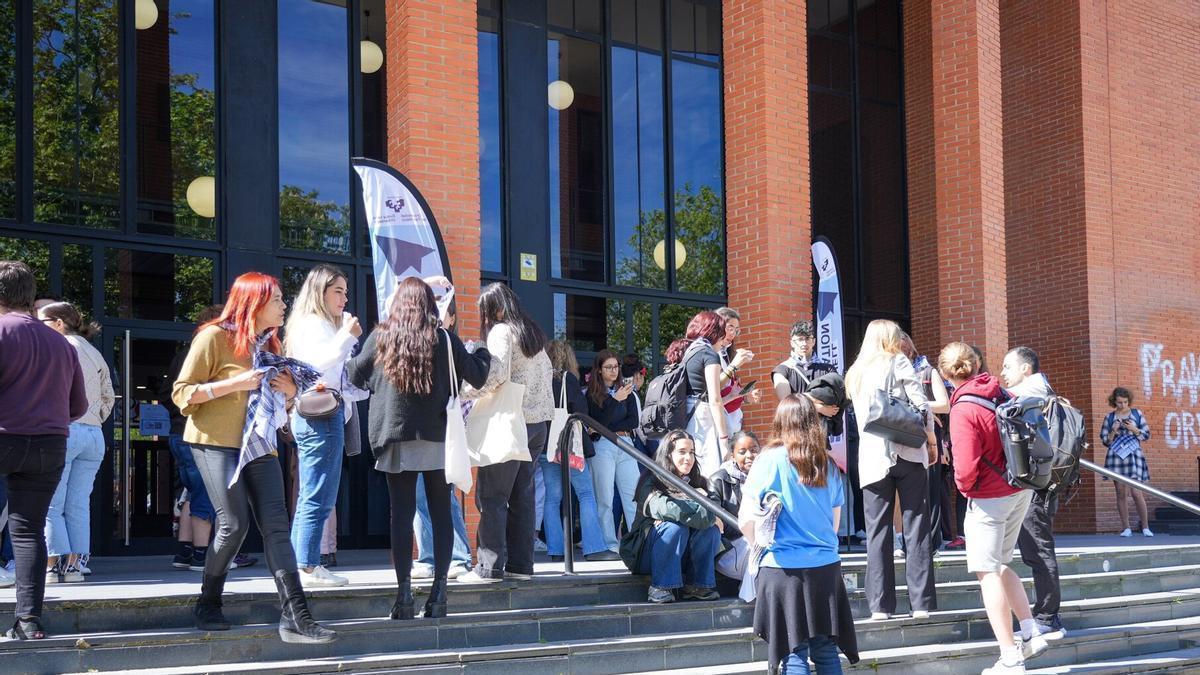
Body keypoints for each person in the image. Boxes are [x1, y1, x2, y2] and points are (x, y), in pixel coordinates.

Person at [172, 271, 335, 644]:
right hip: (214, 441)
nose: (283, 305)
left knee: (277, 526)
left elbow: (280, 406)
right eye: (276, 299)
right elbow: (182, 394)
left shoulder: (270, 347)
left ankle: (297, 616)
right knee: (234, 525)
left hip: (260, 445)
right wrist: (234, 383)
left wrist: (291, 390)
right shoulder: (213, 337)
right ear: (255, 302)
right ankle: (208, 602)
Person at [346, 277, 490, 618]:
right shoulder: (443, 338)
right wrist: (481, 349)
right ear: (429, 305)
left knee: (401, 516)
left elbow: (354, 375)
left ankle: (404, 598)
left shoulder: (381, 337)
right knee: (441, 516)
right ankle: (439, 596)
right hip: (438, 437)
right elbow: (478, 376)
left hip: (396, 437)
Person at [940, 342, 1048, 674]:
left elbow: (966, 462)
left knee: (987, 571)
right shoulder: (1000, 392)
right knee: (1001, 563)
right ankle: (1030, 630)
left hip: (989, 496)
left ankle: (1010, 655)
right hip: (1020, 487)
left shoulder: (963, 408)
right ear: (976, 364)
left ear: (946, 374)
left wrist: (963, 487)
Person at [740, 395, 859, 674]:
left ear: (780, 422)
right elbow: (835, 523)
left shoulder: (767, 460)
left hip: (782, 568)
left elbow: (746, 519)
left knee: (793, 653)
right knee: (826, 650)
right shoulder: (827, 463)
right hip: (825, 568)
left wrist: (756, 546)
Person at [0, 261, 87, 640]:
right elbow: (78, 405)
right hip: (50, 445)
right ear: (31, 296)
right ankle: (29, 621)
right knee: (28, 532)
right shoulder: (62, 343)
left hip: (5, 436)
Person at [460, 283, 554, 583]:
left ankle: (489, 568)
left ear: (496, 309)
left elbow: (496, 373)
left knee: (492, 496)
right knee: (522, 498)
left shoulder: (501, 331)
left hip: (510, 422)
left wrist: (465, 392)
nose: (484, 317)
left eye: (485, 311)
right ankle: (521, 566)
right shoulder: (533, 334)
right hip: (537, 424)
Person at [844, 319, 936, 620]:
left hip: (871, 459)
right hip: (907, 451)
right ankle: (921, 604)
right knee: (916, 527)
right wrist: (933, 441)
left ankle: (880, 607)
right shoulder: (898, 361)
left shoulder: (855, 372)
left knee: (877, 532)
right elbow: (921, 405)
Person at [282, 264, 365, 588]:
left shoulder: (315, 324)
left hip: (322, 415)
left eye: (345, 291)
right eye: (338, 291)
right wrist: (347, 335)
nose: (344, 298)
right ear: (321, 292)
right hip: (321, 417)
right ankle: (307, 565)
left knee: (313, 494)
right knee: (318, 495)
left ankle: (302, 564)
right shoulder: (314, 325)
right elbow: (319, 366)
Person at [35, 302, 113, 584]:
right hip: (93, 434)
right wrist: (96, 418)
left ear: (57, 323)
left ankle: (52, 566)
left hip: (66, 429)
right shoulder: (94, 352)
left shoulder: (59, 347)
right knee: (79, 503)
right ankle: (75, 567)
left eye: (40, 320)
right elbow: (109, 396)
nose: (35, 324)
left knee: (52, 503)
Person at [1000, 346, 1066, 636]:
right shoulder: (1043, 391)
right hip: (1040, 481)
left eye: (1007, 367)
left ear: (1025, 368)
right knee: (1035, 547)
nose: (1002, 373)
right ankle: (1044, 614)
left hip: (1034, 484)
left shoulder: (1030, 395)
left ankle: (1048, 617)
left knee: (1038, 548)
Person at [625, 430, 721, 604]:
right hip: (645, 554)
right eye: (682, 452)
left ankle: (697, 586)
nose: (688, 458)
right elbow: (667, 508)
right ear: (668, 454)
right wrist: (700, 505)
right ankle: (660, 587)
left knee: (710, 530)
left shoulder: (699, 482)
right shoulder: (650, 480)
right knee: (674, 527)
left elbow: (713, 510)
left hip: (682, 553)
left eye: (691, 452)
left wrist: (707, 514)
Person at [543, 340, 614, 561]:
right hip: (567, 446)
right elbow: (580, 412)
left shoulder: (541, 380)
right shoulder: (568, 379)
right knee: (585, 494)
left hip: (545, 446)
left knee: (552, 499)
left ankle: (555, 550)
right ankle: (594, 548)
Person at [587, 349, 641, 553]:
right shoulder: (592, 394)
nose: (613, 371)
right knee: (605, 498)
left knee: (632, 497)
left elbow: (633, 421)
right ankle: (609, 545)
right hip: (603, 446)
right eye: (608, 367)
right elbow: (598, 423)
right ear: (599, 370)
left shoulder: (628, 391)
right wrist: (614, 400)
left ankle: (637, 543)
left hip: (626, 443)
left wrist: (608, 420)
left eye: (616, 367)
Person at [683, 311, 733, 478]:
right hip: (703, 415)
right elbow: (715, 399)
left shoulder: (689, 351)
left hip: (687, 413)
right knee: (710, 470)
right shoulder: (709, 354)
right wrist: (724, 438)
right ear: (715, 332)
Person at [1099, 386, 1153, 537]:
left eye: (1125, 402)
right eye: (1119, 403)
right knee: (1120, 493)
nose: (1122, 405)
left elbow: (1146, 435)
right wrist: (1113, 431)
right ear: (1114, 402)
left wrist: (1134, 429)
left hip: (1134, 455)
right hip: (1116, 455)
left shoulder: (1136, 413)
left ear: (1129, 401)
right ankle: (1126, 528)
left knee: (1136, 492)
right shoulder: (1109, 417)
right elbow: (1105, 441)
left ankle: (1146, 527)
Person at [710, 430, 759, 580]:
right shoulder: (719, 480)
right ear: (732, 455)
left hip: (759, 541)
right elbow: (717, 525)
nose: (749, 455)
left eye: (754, 450)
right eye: (742, 452)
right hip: (730, 548)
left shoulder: (767, 477)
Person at [714, 307, 761, 436]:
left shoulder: (726, 354)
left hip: (733, 424)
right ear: (717, 326)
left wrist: (745, 397)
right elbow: (712, 394)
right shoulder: (709, 354)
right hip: (716, 428)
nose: (733, 333)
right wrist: (735, 364)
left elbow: (728, 392)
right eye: (730, 328)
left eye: (736, 330)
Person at [772, 320, 836, 402]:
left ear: (813, 341)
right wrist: (818, 407)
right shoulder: (782, 370)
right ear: (792, 343)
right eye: (800, 339)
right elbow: (787, 404)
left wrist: (800, 397)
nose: (804, 343)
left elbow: (834, 398)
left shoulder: (828, 370)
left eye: (807, 338)